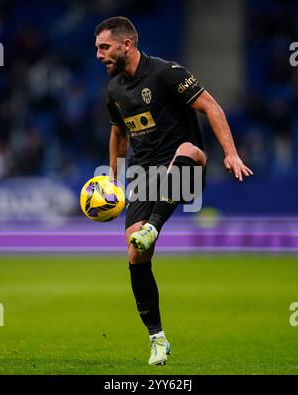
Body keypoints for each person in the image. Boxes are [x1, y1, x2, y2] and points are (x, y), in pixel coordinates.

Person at [94, 16, 253, 366]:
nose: (99, 55)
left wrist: (230, 153)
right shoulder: (115, 90)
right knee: (135, 256)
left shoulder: (167, 73)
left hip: (186, 165)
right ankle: (158, 339)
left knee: (188, 151)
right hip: (143, 176)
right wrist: (112, 180)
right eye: (97, 49)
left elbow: (210, 105)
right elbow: (119, 135)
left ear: (127, 45)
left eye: (104, 47)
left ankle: (154, 227)